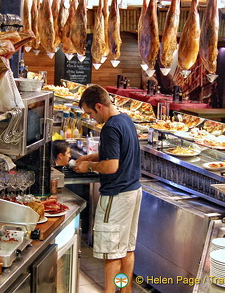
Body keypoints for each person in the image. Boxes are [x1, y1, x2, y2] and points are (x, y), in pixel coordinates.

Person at [74, 84, 142, 293]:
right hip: (133, 191)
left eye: (90, 113)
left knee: (112, 254)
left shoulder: (110, 128)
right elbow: (118, 154)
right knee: (126, 250)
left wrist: (89, 166)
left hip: (116, 195)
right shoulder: (125, 119)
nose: (91, 118)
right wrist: (90, 156)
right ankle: (126, 290)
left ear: (99, 106)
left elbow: (111, 166)